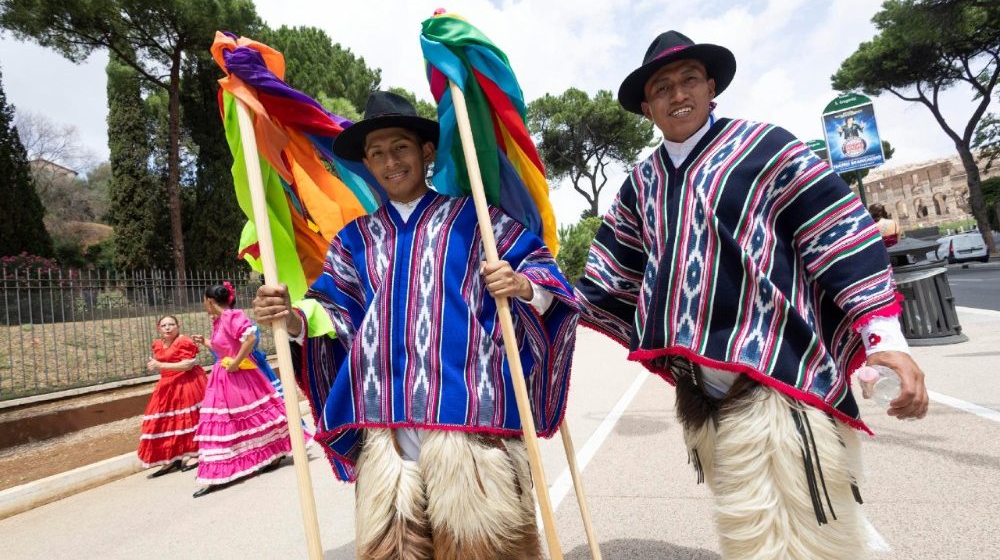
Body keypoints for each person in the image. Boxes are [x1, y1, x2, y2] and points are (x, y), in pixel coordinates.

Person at [577, 31, 928, 559]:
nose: (678, 95)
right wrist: (536, 294)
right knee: (756, 521)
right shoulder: (641, 184)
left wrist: (883, 334)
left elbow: (836, 232)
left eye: (689, 79)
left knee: (808, 525)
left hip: (778, 374)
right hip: (703, 389)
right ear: (646, 107)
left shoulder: (766, 148)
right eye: (662, 87)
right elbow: (610, 276)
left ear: (711, 85)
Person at [253, 91, 578, 559]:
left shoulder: (477, 220)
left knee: (484, 549)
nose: (390, 162)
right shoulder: (354, 241)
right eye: (378, 153)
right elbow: (333, 310)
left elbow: (545, 274)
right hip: (386, 425)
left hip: (467, 413)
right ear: (366, 162)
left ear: (426, 152)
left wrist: (521, 284)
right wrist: (290, 317)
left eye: (400, 147)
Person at [190, 283, 294, 498]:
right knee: (226, 421)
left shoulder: (231, 316)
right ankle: (221, 469)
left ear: (209, 301)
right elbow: (225, 347)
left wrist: (237, 362)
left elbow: (250, 338)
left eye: (204, 301)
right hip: (223, 375)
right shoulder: (219, 321)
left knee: (241, 420)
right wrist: (207, 342)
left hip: (237, 375)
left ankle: (266, 456)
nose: (203, 305)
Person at [138, 315, 207, 477]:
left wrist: (160, 365)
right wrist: (156, 365)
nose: (168, 328)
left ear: (178, 326)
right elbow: (161, 363)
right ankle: (172, 457)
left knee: (190, 419)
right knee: (165, 421)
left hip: (187, 382)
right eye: (164, 325)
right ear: (158, 328)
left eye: (171, 324)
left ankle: (195, 453)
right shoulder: (157, 344)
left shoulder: (184, 341)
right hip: (167, 384)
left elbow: (188, 364)